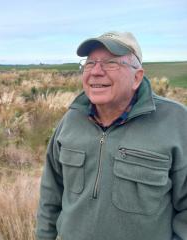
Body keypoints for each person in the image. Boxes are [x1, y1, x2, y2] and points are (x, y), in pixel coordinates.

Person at [36, 31, 187, 240]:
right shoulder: (71, 119)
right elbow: (50, 195)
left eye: (110, 63)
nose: (96, 71)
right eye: (90, 63)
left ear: (137, 77)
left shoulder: (176, 122)